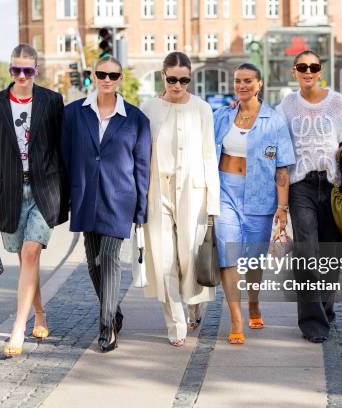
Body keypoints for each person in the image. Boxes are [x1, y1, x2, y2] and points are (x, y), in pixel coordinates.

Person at [0, 44, 68, 357]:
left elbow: (62, 151)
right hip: (10, 192)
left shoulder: (52, 101)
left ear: (36, 70)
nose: (22, 75)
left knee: (30, 253)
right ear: (10, 70)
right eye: (17, 70)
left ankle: (18, 329)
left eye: (28, 70)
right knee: (27, 261)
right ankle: (40, 315)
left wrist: (67, 196)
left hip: (44, 189)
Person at [61, 56, 151, 353]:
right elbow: (65, 157)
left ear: (120, 78)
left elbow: (142, 166)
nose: (107, 79)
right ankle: (115, 311)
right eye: (102, 74)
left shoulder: (136, 119)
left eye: (113, 75)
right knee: (94, 263)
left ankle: (107, 326)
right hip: (86, 198)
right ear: (94, 76)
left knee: (111, 258)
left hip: (119, 200)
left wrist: (140, 210)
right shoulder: (74, 113)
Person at [140, 52, 220, 347]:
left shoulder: (201, 109)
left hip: (193, 191)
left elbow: (209, 154)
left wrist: (213, 202)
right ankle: (175, 323)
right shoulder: (148, 108)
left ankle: (194, 304)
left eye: (184, 80)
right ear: (163, 76)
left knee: (189, 255)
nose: (177, 85)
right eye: (172, 79)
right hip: (157, 191)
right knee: (162, 259)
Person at [277, 50, 342, 343]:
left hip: (332, 185)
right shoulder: (287, 104)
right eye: (302, 66)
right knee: (307, 253)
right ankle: (312, 323)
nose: (308, 71)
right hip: (301, 186)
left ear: (320, 70)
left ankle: (325, 308)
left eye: (313, 66)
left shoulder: (337, 103)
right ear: (294, 71)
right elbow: (275, 136)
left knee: (331, 254)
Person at [213, 63, 295, 345]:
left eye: (248, 81)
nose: (242, 86)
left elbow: (282, 169)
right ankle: (236, 317)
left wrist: (282, 209)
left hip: (260, 196)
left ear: (259, 84)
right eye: (237, 81)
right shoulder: (222, 116)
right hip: (225, 192)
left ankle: (253, 301)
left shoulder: (274, 121)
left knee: (253, 259)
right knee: (228, 253)